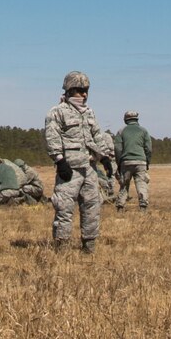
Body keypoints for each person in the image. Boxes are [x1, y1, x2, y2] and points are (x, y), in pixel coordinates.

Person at [44, 70, 112, 251]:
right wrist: (59, 161)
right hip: (69, 169)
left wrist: (104, 158)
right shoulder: (57, 112)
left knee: (92, 207)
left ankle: (89, 247)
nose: (84, 94)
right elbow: (52, 137)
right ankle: (62, 248)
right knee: (64, 208)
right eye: (80, 90)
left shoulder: (89, 112)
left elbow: (97, 135)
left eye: (86, 90)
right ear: (69, 90)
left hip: (89, 168)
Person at [114, 110, 152, 210]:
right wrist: (147, 162)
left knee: (124, 184)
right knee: (141, 183)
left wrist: (119, 163)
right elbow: (149, 148)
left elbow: (118, 149)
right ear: (137, 119)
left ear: (125, 119)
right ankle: (143, 206)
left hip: (126, 162)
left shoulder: (121, 131)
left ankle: (120, 206)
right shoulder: (144, 131)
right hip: (141, 162)